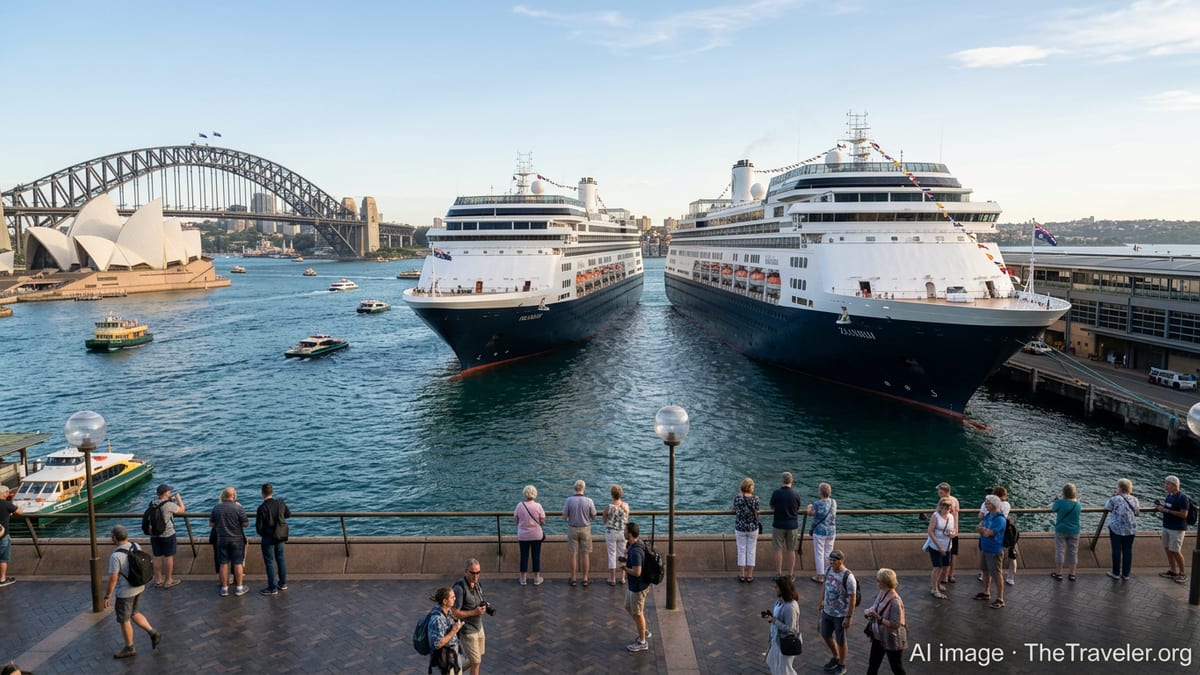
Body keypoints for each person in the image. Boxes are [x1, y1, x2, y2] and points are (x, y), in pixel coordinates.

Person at [104, 524, 161, 659]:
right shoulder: (135, 546)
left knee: (124, 619)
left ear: (113, 538)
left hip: (125, 592)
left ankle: (129, 647)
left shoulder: (115, 556)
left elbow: (113, 578)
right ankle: (153, 632)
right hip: (139, 586)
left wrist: (107, 596)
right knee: (134, 612)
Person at [818, 549, 856, 675]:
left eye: (834, 560)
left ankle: (842, 664)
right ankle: (836, 656)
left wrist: (848, 617)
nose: (831, 562)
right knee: (825, 634)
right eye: (830, 560)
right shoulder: (829, 570)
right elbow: (825, 584)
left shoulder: (848, 577)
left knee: (841, 640)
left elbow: (852, 598)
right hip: (827, 611)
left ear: (841, 561)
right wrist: (822, 600)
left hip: (840, 614)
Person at [863, 568, 907, 675]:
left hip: (892, 639)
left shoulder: (895, 601)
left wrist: (878, 618)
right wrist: (869, 612)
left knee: (896, 667)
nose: (876, 583)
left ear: (884, 583)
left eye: (878, 581)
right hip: (879, 637)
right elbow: (875, 606)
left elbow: (895, 624)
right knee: (873, 664)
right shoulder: (882, 592)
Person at [210, 486, 250, 597]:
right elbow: (246, 524)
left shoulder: (216, 508)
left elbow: (211, 524)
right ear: (233, 496)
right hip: (237, 539)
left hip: (222, 539)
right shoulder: (238, 508)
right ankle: (239, 588)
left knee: (223, 564)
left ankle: (224, 589)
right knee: (237, 563)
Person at [452, 558, 488, 675]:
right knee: (476, 662)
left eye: (478, 572)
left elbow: (478, 601)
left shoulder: (477, 584)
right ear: (466, 571)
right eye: (473, 573)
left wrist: (485, 606)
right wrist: (474, 612)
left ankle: (454, 672)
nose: (476, 576)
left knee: (479, 656)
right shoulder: (459, 588)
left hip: (478, 626)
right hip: (467, 630)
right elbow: (455, 612)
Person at [255, 482, 292, 596]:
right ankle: (282, 583)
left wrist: (264, 534)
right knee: (281, 559)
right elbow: (288, 514)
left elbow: (259, 528)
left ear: (262, 493)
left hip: (268, 538)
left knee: (269, 562)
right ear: (272, 492)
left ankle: (272, 587)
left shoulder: (261, 508)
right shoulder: (280, 503)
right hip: (280, 536)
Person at [620, 521, 651, 652]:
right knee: (628, 606)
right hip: (633, 586)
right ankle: (643, 629)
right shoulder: (635, 544)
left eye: (625, 530)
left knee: (638, 614)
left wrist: (625, 568)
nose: (623, 532)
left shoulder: (636, 551)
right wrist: (625, 560)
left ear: (631, 534)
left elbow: (637, 572)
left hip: (638, 587)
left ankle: (642, 641)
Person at [148, 483, 184, 589]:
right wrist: (178, 499)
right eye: (169, 491)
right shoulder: (169, 505)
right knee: (168, 556)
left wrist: (170, 499)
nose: (170, 492)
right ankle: (168, 580)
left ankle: (158, 580)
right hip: (168, 534)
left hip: (154, 534)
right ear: (165, 493)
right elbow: (182, 510)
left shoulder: (152, 503)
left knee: (157, 557)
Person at [763, 575, 800, 675]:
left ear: (783, 589)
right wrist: (771, 619)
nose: (774, 589)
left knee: (785, 670)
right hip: (777, 639)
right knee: (771, 661)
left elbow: (790, 629)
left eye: (776, 587)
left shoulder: (790, 607)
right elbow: (778, 619)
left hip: (786, 642)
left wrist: (775, 621)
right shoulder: (779, 601)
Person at [561, 479, 597, 587]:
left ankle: (573, 578)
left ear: (574, 488)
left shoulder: (569, 500)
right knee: (585, 554)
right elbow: (594, 516)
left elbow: (564, 516)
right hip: (585, 528)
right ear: (583, 489)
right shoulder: (589, 501)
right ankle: (585, 578)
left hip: (572, 528)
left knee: (573, 555)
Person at [1155, 475, 1189, 583]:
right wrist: (1161, 507)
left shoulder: (1182, 498)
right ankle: (1173, 571)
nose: (1165, 485)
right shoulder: (1169, 496)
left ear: (1175, 486)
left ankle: (1182, 573)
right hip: (1167, 526)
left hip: (1177, 528)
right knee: (1167, 549)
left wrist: (1166, 511)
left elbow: (1184, 514)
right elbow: (1168, 508)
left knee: (1175, 550)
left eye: (1167, 484)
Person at [1103, 478, 1139, 580]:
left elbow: (1107, 508)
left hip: (1116, 529)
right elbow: (1137, 512)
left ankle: (1116, 573)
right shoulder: (1134, 499)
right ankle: (1126, 574)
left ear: (1119, 488)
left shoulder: (1115, 498)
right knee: (1128, 550)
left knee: (1116, 550)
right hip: (1130, 529)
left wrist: (1112, 496)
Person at [975, 495, 1006, 609]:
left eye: (987, 503)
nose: (985, 505)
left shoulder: (999, 519)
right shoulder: (988, 516)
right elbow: (981, 528)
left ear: (994, 505)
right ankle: (986, 592)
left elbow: (988, 533)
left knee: (997, 574)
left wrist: (983, 530)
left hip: (994, 551)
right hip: (985, 548)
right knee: (985, 570)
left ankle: (1000, 598)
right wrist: (983, 530)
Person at [769, 472, 801, 580]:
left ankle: (779, 573)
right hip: (792, 525)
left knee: (778, 550)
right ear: (791, 481)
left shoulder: (776, 493)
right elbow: (798, 508)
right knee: (791, 550)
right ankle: (791, 574)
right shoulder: (796, 493)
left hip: (778, 524)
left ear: (782, 480)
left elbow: (772, 507)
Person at [513, 485, 546, 586]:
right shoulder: (538, 506)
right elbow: (543, 521)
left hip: (523, 535)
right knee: (536, 556)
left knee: (524, 556)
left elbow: (516, 520)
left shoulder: (520, 505)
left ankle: (523, 578)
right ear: (534, 494)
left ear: (525, 494)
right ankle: (536, 578)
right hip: (536, 535)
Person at [427, 586, 464, 674]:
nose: (455, 598)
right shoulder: (437, 619)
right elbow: (438, 643)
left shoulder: (448, 611)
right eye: (452, 597)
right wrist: (454, 631)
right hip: (444, 662)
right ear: (445, 601)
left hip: (452, 658)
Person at [1049, 483, 1081, 581]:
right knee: (1073, 552)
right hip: (1075, 531)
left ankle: (1059, 573)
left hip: (1061, 530)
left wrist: (1055, 501)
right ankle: (1072, 574)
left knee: (1060, 551)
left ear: (1064, 492)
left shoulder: (1060, 502)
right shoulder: (1078, 504)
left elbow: (1053, 508)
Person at [923, 498, 954, 598]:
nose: (945, 510)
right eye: (943, 508)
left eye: (947, 508)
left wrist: (952, 534)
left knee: (944, 566)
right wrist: (939, 546)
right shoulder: (935, 516)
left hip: (947, 545)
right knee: (937, 567)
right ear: (940, 508)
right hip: (936, 546)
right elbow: (930, 531)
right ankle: (934, 588)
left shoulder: (951, 517)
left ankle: (938, 583)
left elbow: (953, 529)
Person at [807, 482, 837, 583]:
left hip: (819, 531)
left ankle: (820, 576)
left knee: (819, 553)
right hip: (831, 531)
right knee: (829, 552)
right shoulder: (834, 502)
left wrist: (809, 508)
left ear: (820, 492)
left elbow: (811, 514)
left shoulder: (817, 503)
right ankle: (828, 574)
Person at [733, 477, 761, 583]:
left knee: (741, 550)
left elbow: (734, 509)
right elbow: (757, 510)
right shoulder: (756, 499)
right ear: (750, 487)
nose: (753, 487)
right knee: (751, 550)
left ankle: (742, 574)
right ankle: (750, 575)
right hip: (753, 527)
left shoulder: (738, 498)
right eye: (752, 485)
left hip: (740, 527)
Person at [602, 484, 630, 586]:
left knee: (612, 554)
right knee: (622, 555)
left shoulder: (608, 507)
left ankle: (613, 578)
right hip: (623, 533)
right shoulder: (626, 506)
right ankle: (622, 578)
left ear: (612, 494)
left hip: (611, 533)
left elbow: (604, 521)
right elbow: (626, 518)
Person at [935, 483, 961, 583]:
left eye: (940, 492)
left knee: (944, 554)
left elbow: (937, 513)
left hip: (945, 533)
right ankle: (951, 575)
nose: (938, 493)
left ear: (946, 492)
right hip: (955, 531)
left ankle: (943, 576)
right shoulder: (955, 500)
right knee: (953, 554)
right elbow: (956, 513)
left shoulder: (942, 502)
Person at [0, 485, 21, 587]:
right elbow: (19, 512)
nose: (8, 493)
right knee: (3, 558)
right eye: (7, 492)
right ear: (4, 494)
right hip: (3, 536)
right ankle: (2, 579)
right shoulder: (6, 504)